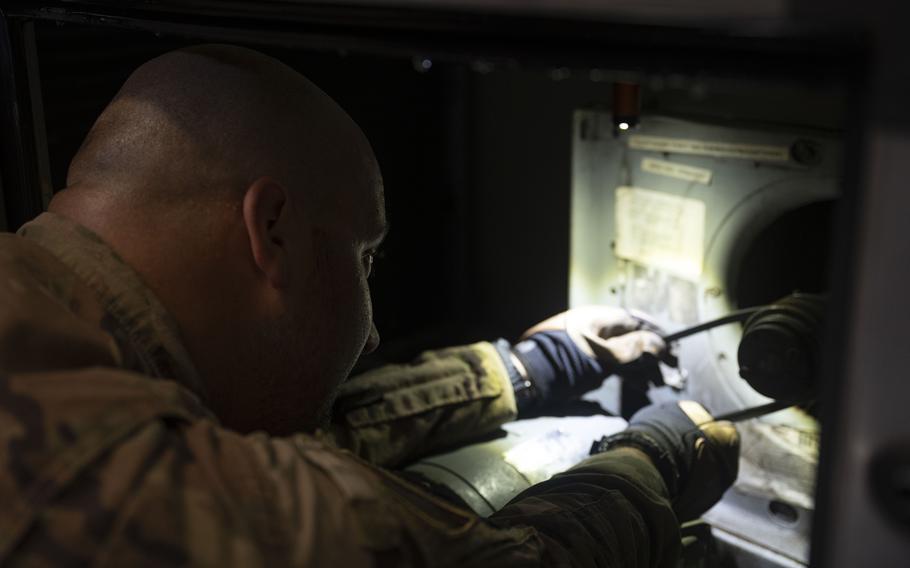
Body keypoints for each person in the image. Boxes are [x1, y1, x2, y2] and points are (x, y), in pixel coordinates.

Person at [0, 44, 739, 566]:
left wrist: (526, 368)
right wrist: (651, 464)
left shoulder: (50, 338)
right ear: (273, 230)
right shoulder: (110, 480)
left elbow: (239, 446)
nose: (375, 329)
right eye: (364, 257)